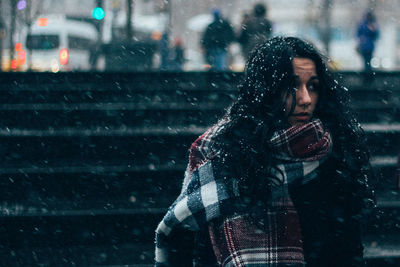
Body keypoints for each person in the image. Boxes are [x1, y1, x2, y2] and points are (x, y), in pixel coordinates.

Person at [155, 36, 375, 266]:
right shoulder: (222, 156)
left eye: (313, 86)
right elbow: (194, 246)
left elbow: (347, 252)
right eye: (291, 86)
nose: (306, 98)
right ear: (267, 90)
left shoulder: (333, 156)